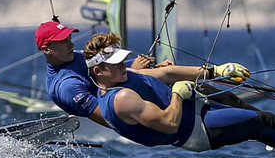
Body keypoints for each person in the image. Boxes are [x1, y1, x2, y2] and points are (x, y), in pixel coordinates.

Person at [85, 40, 275, 158]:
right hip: (194, 131)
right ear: (99, 72)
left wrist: (217, 70)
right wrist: (178, 94)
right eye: (115, 64)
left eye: (122, 60)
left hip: (199, 109)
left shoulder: (123, 75)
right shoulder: (121, 98)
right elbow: (168, 123)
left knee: (255, 119)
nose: (123, 66)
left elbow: (166, 72)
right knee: (261, 122)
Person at [34, 22, 251, 128]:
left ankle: (253, 115)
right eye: (63, 41)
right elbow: (110, 118)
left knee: (209, 92)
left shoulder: (79, 56)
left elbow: (120, 67)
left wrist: (148, 68)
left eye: (69, 37)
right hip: (135, 112)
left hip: (136, 95)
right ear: (47, 50)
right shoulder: (66, 86)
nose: (70, 43)